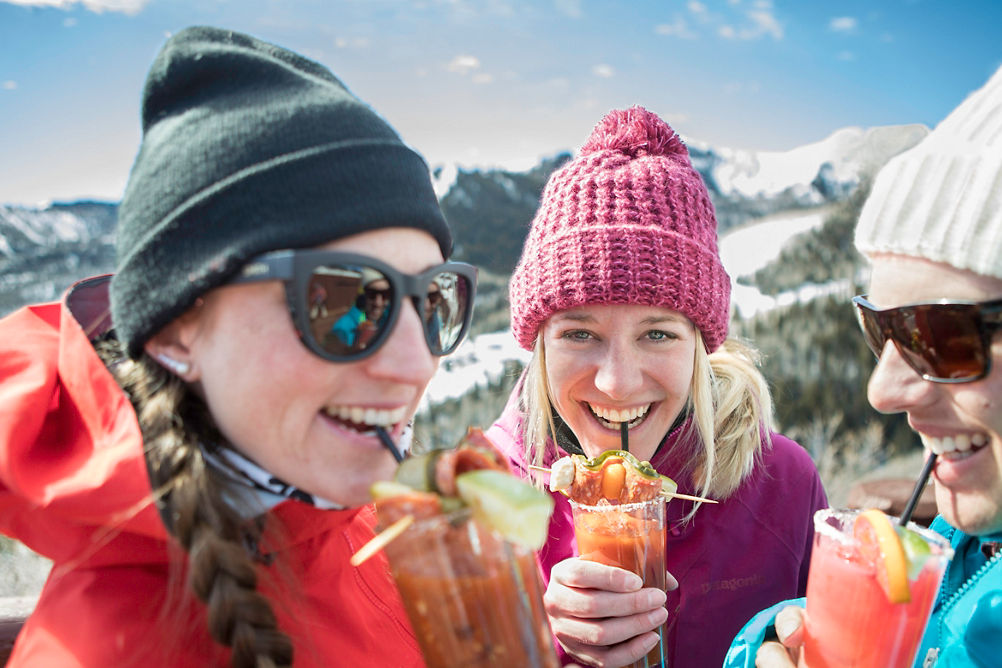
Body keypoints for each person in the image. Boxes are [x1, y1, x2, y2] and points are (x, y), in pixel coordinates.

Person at [0, 26, 478, 667]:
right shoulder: (106, 650)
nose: (416, 364)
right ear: (176, 333)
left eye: (433, 301)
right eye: (340, 303)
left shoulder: (353, 513)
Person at [486, 106, 828, 668]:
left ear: (700, 342)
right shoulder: (481, 503)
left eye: (657, 334)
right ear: (540, 342)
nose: (617, 383)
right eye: (578, 332)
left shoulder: (783, 485)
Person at [726, 65, 1002, 668]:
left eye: (944, 335)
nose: (882, 389)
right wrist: (769, 645)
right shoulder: (960, 544)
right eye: (881, 329)